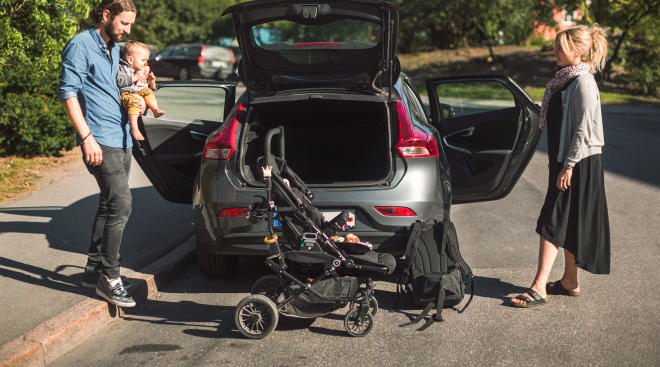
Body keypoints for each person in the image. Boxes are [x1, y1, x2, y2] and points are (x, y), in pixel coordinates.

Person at [509, 24, 611, 308]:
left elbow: (582, 129)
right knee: (568, 219)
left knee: (552, 220)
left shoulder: (583, 83)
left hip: (577, 161)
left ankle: (539, 286)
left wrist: (568, 165)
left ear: (576, 52)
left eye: (560, 47)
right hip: (567, 160)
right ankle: (569, 281)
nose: (554, 51)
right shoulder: (565, 81)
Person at [58, 0, 140, 308]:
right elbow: (68, 92)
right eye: (123, 23)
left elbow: (115, 85)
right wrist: (86, 137)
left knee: (108, 203)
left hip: (120, 138)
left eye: (130, 24)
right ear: (106, 15)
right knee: (122, 202)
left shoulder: (116, 49)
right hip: (98, 138)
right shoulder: (81, 44)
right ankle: (110, 277)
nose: (127, 29)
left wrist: (140, 82)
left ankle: (93, 270)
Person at [117, 40, 164, 141]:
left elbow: (145, 88)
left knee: (148, 92)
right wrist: (135, 77)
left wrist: (152, 83)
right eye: (143, 60)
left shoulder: (141, 70)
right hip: (126, 94)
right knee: (134, 102)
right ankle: (134, 129)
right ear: (130, 60)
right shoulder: (121, 68)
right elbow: (119, 82)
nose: (146, 63)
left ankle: (155, 110)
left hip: (139, 92)